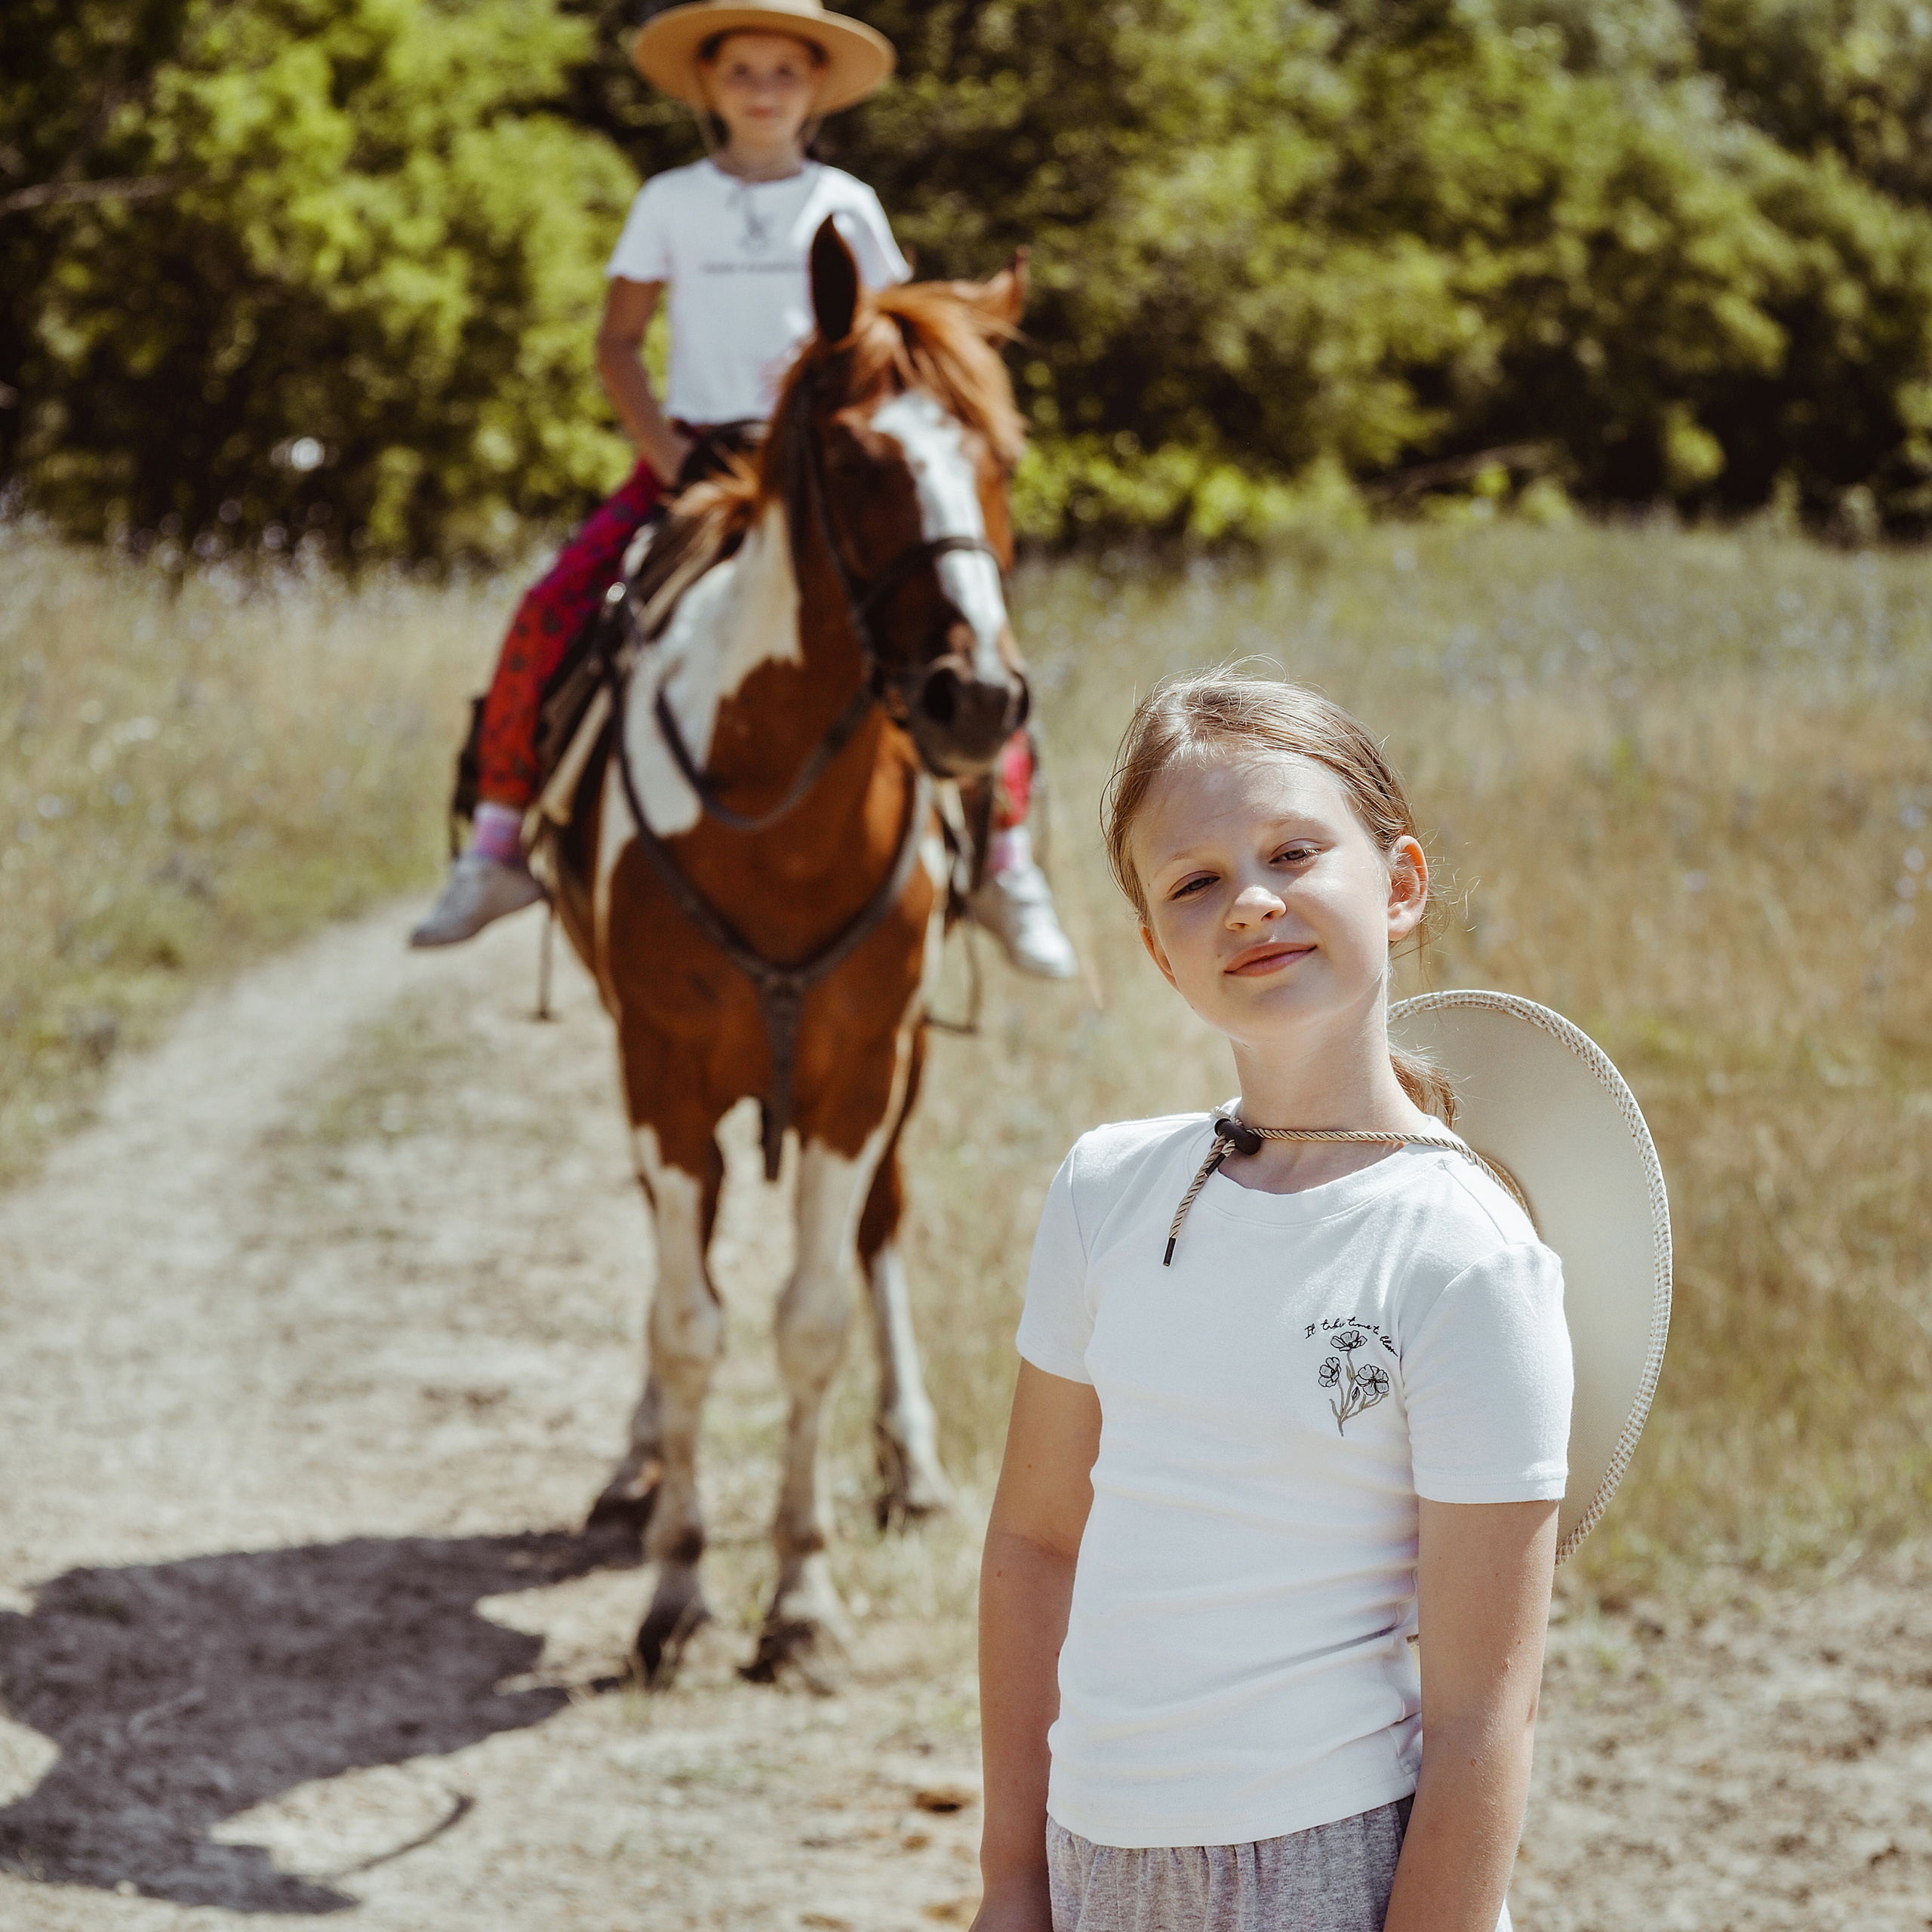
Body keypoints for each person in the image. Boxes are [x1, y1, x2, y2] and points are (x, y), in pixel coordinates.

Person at [974, 671, 1574, 1932]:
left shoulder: (1466, 1256)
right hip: (1093, 1855)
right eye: (1192, 883)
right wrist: (1014, 1880)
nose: (1249, 901)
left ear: (1400, 884)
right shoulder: (1108, 1191)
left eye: (1295, 852)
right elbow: (1038, 1545)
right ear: (1158, 951)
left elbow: (1480, 1717)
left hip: (1320, 1868)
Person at [411, 0, 1078, 979]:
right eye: (743, 72)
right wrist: (668, 457)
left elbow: (884, 343)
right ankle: (498, 846)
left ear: (814, 91)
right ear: (710, 89)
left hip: (828, 469)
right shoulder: (669, 202)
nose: (764, 90)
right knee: (550, 608)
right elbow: (617, 344)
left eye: (785, 73)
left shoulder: (847, 202)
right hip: (696, 460)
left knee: (960, 626)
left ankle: (1003, 864)